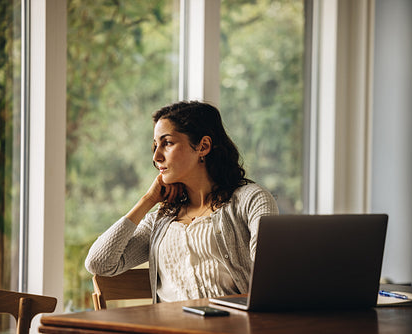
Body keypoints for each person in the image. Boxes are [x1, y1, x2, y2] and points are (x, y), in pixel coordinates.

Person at [85, 101, 279, 303]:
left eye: (167, 143)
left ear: (203, 146)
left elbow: (270, 276)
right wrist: (147, 200)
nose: (156, 156)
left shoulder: (251, 200)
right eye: (155, 145)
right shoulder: (160, 221)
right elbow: (99, 263)